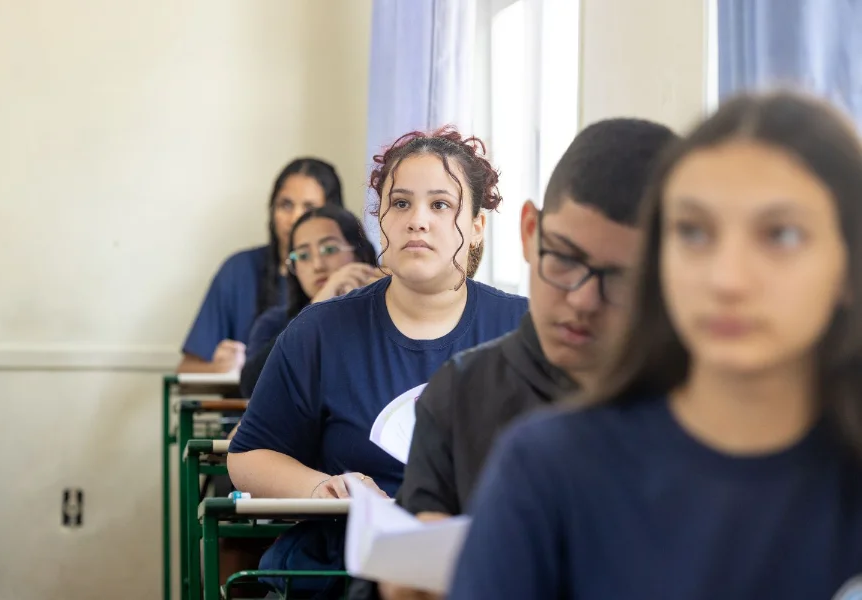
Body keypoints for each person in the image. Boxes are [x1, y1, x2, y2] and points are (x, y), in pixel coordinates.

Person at [448, 91, 862, 600]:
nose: (727, 278)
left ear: (848, 266)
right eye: (693, 232)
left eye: (780, 235)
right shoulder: (549, 470)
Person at [350, 118, 677, 600]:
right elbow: (400, 565)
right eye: (563, 258)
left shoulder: (700, 404)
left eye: (620, 278)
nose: (583, 300)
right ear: (530, 231)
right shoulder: (460, 392)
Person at [227, 127, 529, 598]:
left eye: (441, 205)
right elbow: (247, 456)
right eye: (401, 203)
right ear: (380, 220)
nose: (418, 221)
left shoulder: (524, 329)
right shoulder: (320, 331)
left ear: (476, 227)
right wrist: (325, 486)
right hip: (348, 572)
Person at [178, 158, 343, 373]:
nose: (295, 218)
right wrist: (219, 367)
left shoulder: (353, 277)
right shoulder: (238, 271)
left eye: (309, 208)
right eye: (286, 205)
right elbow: (185, 369)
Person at [239, 204, 380, 397]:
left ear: (359, 253)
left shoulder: (386, 315)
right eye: (303, 255)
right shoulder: (274, 322)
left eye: (329, 249)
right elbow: (252, 387)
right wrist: (318, 305)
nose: (317, 265)